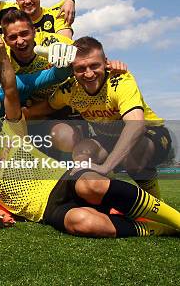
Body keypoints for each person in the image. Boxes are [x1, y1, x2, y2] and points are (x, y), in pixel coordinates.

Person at [0, 35, 180, 238]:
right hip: (47, 209)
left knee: (90, 183)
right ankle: (154, 227)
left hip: (65, 180)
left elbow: (10, 89)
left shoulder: (11, 134)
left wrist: (1, 53)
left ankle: (174, 219)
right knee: (83, 223)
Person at [27, 37, 172, 198]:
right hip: (108, 139)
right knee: (82, 154)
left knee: (134, 154)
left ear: (106, 62)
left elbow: (136, 125)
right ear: (72, 69)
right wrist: (14, 115)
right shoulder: (69, 89)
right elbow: (46, 107)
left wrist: (106, 166)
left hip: (151, 134)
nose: (89, 74)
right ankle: (110, 200)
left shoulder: (121, 79)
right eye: (81, 68)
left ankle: (156, 203)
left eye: (94, 66)